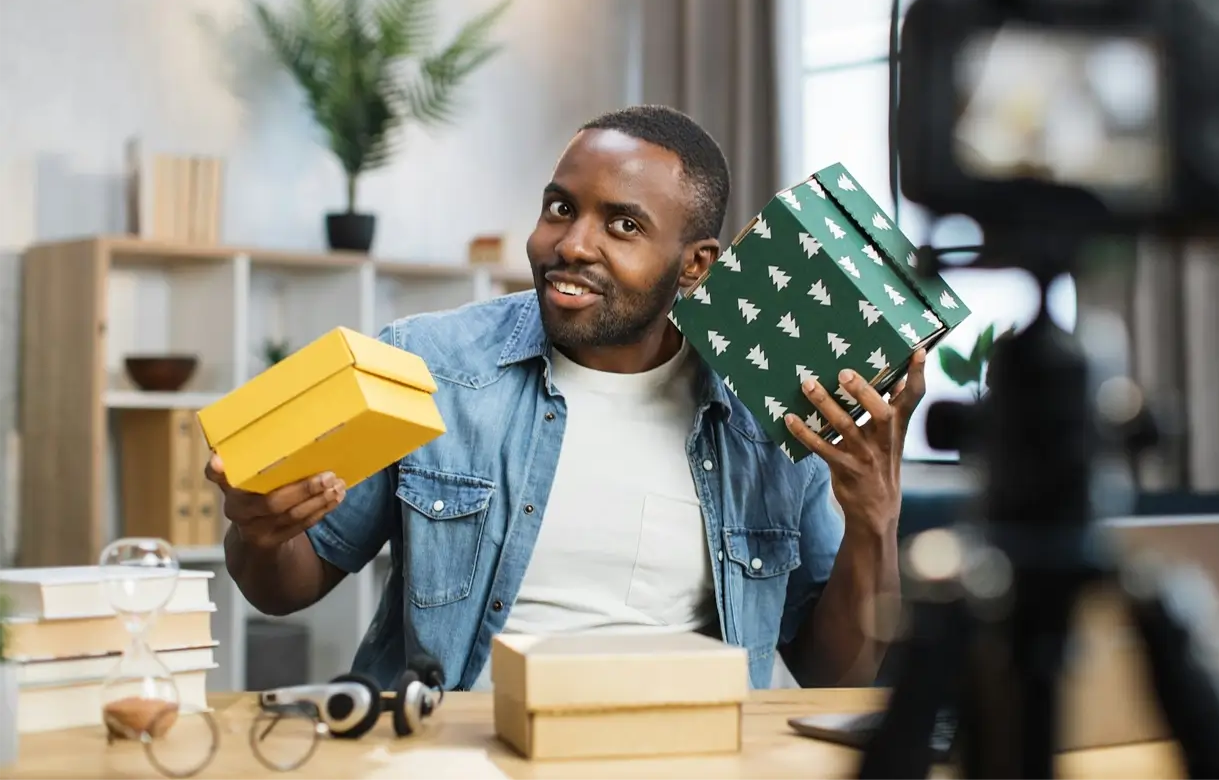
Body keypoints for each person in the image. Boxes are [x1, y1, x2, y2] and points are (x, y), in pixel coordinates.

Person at [205, 104, 928, 692]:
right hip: (468, 757)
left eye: (624, 224)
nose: (572, 244)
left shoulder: (767, 411)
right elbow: (286, 587)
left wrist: (873, 516)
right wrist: (260, 531)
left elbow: (839, 677)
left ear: (696, 266)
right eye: (560, 207)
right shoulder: (429, 363)